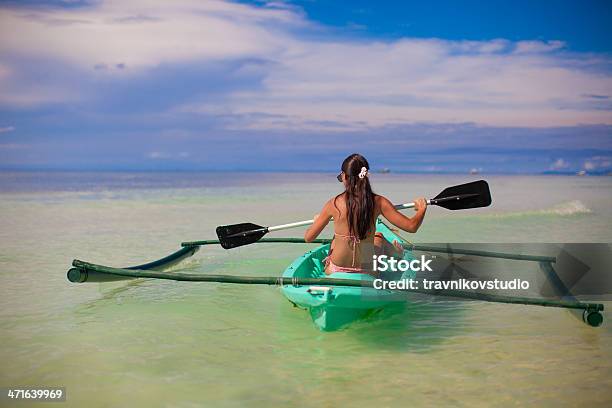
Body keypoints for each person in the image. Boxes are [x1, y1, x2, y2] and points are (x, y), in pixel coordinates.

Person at [304, 153, 427, 275]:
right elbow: (411, 227)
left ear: (344, 176)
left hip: (336, 269)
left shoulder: (333, 204)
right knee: (378, 237)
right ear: (366, 176)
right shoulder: (379, 202)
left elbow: (308, 238)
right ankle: (396, 252)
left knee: (336, 238)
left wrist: (318, 221)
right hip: (368, 270)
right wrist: (421, 208)